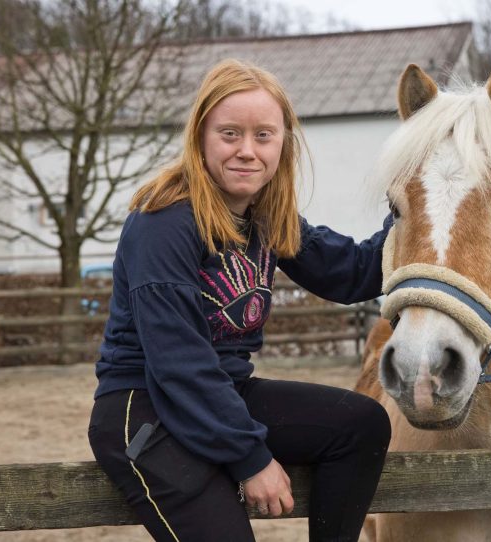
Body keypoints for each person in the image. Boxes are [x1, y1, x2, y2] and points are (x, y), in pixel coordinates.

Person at [87, 58, 393, 542]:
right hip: (145, 409)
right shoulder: (163, 223)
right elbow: (179, 364)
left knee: (360, 425)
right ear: (201, 138)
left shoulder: (268, 217)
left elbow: (352, 273)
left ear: (282, 144)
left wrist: (417, 206)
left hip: (222, 395)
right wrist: (251, 458)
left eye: (263, 136)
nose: (247, 151)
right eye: (230, 134)